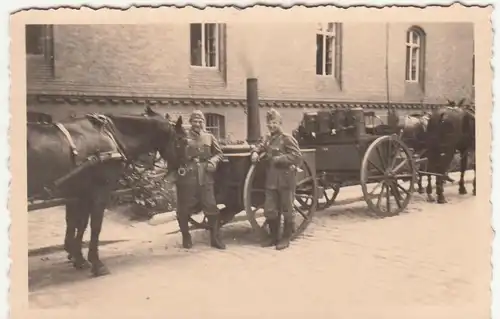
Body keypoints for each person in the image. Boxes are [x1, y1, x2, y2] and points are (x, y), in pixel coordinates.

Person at [250, 108, 302, 250]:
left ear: (280, 123)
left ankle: (286, 238)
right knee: (271, 210)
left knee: (287, 209)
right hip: (271, 181)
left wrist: (278, 159)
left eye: (274, 122)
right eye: (269, 123)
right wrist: (255, 152)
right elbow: (259, 146)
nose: (272, 125)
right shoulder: (267, 139)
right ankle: (274, 237)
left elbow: (297, 157)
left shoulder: (287, 139)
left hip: (285, 180)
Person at [175, 110, 226, 250]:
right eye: (195, 121)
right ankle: (186, 237)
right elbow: (176, 154)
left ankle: (215, 239)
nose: (197, 124)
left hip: (205, 176)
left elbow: (219, 153)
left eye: (200, 121)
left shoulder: (209, 137)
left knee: (211, 206)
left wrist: (213, 161)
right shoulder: (183, 136)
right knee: (184, 208)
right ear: (190, 122)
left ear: (203, 123)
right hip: (188, 175)